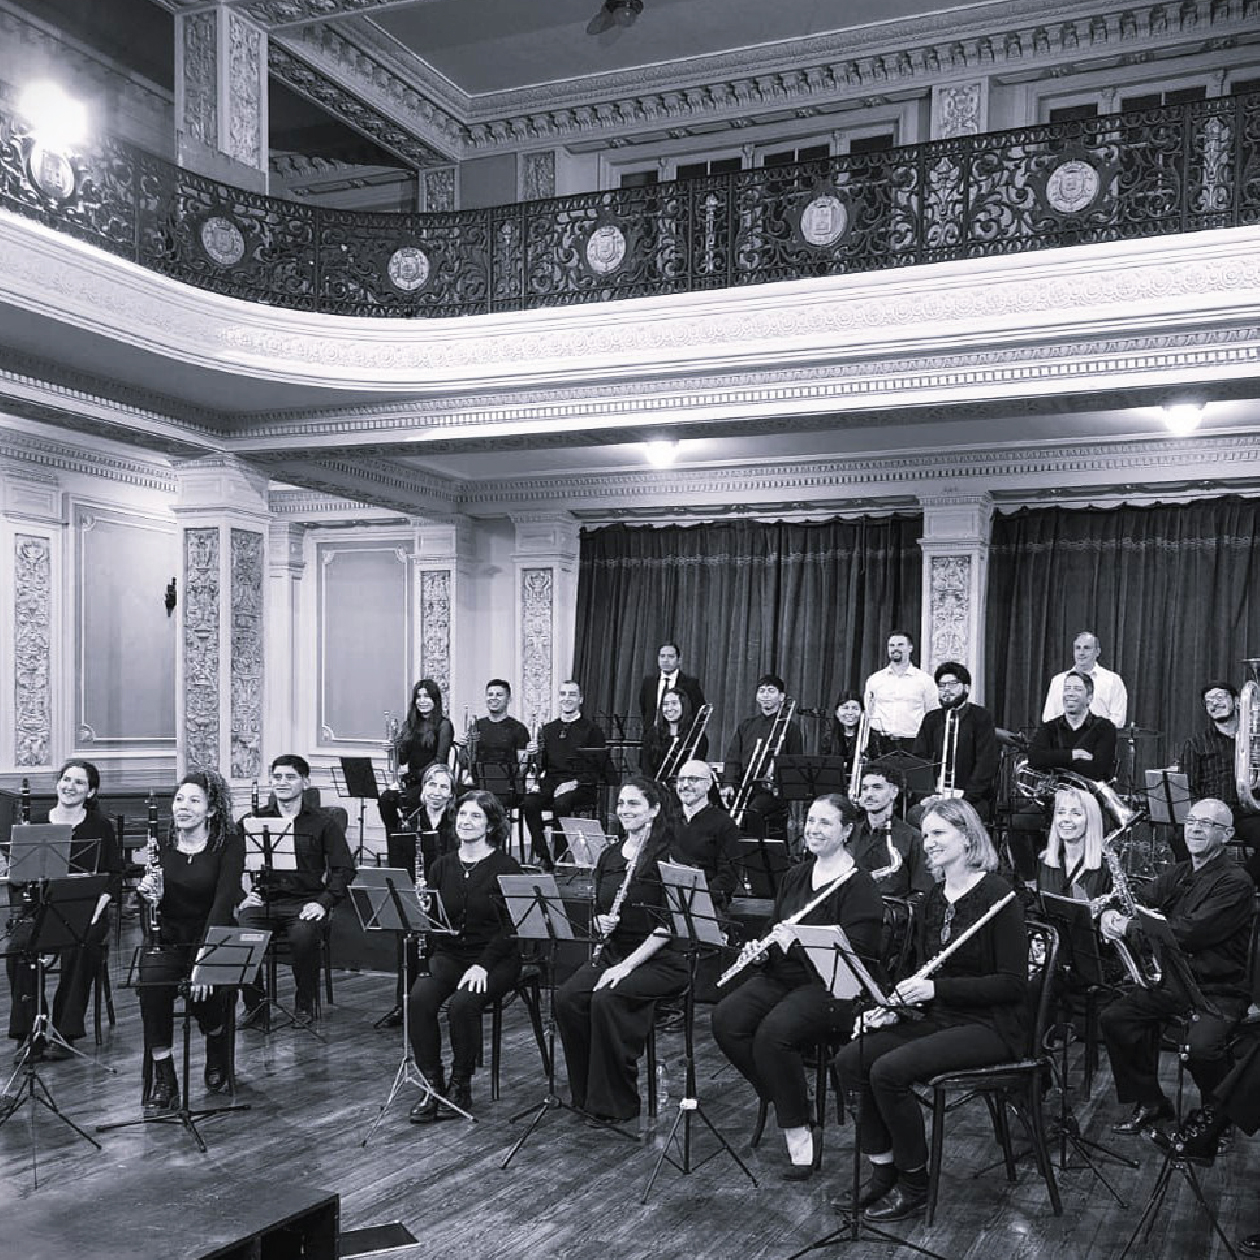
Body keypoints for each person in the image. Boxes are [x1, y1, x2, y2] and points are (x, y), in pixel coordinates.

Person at [834, 797, 1029, 1221]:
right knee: (852, 1058)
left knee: (888, 1072)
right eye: (926, 835)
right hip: (939, 1018)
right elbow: (914, 972)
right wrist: (891, 1009)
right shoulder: (934, 898)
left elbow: (1013, 984)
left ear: (968, 836)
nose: (929, 843)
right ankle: (883, 1171)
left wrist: (934, 988)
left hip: (992, 1026)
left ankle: (915, 1183)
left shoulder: (999, 894)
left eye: (939, 833)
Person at [711, 794, 884, 1178]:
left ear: (846, 831)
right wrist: (762, 953)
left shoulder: (859, 885)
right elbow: (777, 932)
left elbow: (858, 956)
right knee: (727, 1019)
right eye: (810, 820)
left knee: (773, 1034)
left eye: (825, 823)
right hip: (784, 975)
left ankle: (798, 1126)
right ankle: (788, 1096)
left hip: (832, 987)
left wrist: (801, 943)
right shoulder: (795, 875)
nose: (813, 829)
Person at [1098, 796, 1254, 1136]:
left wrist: (1130, 926)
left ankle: (1218, 1120)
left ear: (1227, 836)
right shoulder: (1181, 872)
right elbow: (1141, 902)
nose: (1196, 828)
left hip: (1218, 989)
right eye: (1192, 821)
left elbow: (1191, 933)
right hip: (1175, 982)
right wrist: (1111, 912)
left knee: (1201, 1048)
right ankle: (1151, 1101)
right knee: (1116, 1018)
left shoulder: (1236, 882)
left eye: (1208, 824)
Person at [555, 776, 687, 1123]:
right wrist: (602, 921)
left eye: (633, 804)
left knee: (606, 999)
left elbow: (669, 924)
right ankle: (584, 1095)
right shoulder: (611, 854)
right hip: (616, 952)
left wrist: (627, 966)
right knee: (568, 998)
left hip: (661, 959)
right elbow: (601, 904)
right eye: (621, 804)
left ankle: (616, 1102)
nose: (624, 810)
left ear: (654, 810)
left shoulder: (668, 854)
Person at [406, 791, 523, 1121]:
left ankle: (461, 1084)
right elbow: (435, 921)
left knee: (462, 1004)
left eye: (475, 816)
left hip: (496, 957)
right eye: (462, 815)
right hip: (450, 953)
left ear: (490, 825)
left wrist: (482, 965)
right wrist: (422, 911)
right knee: (419, 1000)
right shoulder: (442, 866)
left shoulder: (506, 866)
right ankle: (432, 1084)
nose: (466, 822)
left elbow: (512, 927)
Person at [136, 769, 245, 1112]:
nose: (183, 807)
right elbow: (153, 913)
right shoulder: (161, 845)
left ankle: (216, 1042)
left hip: (214, 936)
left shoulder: (228, 844)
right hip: (170, 938)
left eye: (194, 801)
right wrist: (148, 897)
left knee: (209, 996)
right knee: (151, 984)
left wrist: (204, 961)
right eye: (179, 799)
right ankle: (164, 1076)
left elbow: (224, 903)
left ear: (211, 810)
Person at [6, 759, 120, 1059]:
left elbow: (115, 874)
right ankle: (33, 1029)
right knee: (18, 947)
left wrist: (101, 902)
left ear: (91, 792)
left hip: (86, 910)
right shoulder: (38, 824)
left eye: (79, 782)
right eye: (66, 779)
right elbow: (18, 882)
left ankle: (64, 1032)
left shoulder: (100, 826)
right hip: (41, 910)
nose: (70, 786)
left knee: (81, 948)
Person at [238, 754, 357, 1027]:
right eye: (277, 777)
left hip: (306, 902)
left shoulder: (323, 823)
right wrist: (242, 896)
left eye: (290, 777)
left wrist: (323, 903)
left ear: (305, 782)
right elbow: (230, 861)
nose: (282, 783)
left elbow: (344, 869)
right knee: (243, 933)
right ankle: (255, 1005)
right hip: (264, 899)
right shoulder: (254, 820)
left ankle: (305, 1003)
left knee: (304, 936)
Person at [380, 761, 456, 1027]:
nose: (437, 791)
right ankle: (405, 1004)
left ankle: (431, 1001)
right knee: (408, 938)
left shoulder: (457, 821)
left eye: (443, 786)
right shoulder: (411, 821)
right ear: (423, 790)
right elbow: (401, 860)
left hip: (451, 894)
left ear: (451, 793)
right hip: (419, 893)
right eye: (431, 785)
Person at [520, 681, 607, 871]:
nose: (567, 698)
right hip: (552, 781)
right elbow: (541, 765)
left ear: (580, 699)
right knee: (529, 802)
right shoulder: (549, 729)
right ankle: (544, 855)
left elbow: (598, 767)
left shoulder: (592, 730)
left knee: (561, 803)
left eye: (572, 695)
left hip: (581, 785)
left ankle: (560, 856)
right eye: (563, 694)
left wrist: (574, 783)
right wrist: (533, 753)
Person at [1180, 680, 1260, 877]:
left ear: (1237, 701)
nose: (1214, 704)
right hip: (1212, 811)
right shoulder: (1196, 743)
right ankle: (1196, 888)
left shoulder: (1255, 741)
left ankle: (1241, 885)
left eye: (1220, 697)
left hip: (1246, 813)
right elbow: (1188, 787)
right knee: (1178, 838)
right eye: (1208, 702)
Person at [721, 673, 804, 840]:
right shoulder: (746, 725)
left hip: (772, 791)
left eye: (771, 691)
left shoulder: (791, 728)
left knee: (754, 812)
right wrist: (729, 783)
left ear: (781, 697)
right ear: (757, 697)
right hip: (744, 786)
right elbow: (733, 758)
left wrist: (779, 787)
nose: (766, 695)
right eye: (762, 691)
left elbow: (795, 763)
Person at [911, 662, 999, 819]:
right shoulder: (931, 719)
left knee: (959, 819)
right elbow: (919, 760)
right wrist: (926, 794)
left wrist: (966, 798)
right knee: (914, 815)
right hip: (935, 794)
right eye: (942, 685)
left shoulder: (980, 717)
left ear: (966, 688)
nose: (946, 690)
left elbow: (987, 764)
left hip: (970, 798)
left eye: (952, 684)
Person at [379, 679, 456, 836]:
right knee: (385, 800)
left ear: (435, 700)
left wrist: (415, 776)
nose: (422, 701)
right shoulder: (409, 725)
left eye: (427, 696)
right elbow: (402, 760)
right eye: (418, 697)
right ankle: (397, 841)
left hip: (432, 782)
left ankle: (411, 839)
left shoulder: (444, 725)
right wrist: (393, 750)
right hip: (411, 782)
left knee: (411, 801)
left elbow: (439, 761)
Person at [849, 767, 933, 904]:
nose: (869, 794)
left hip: (891, 917)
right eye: (864, 788)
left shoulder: (913, 838)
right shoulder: (849, 834)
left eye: (877, 787)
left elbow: (921, 892)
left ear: (894, 792)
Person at [672, 759, 741, 912]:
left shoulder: (725, 824)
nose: (685, 785)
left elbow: (728, 878)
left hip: (706, 904)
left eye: (693, 780)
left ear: (709, 784)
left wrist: (695, 898)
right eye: (681, 780)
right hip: (667, 901)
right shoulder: (668, 819)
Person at [862, 631, 938, 751]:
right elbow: (869, 711)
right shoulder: (875, 679)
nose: (895, 649)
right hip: (880, 744)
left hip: (913, 743)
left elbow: (932, 714)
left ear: (910, 648)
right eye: (892, 645)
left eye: (900, 645)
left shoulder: (925, 680)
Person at [1036, 783, 1111, 903]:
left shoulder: (1106, 867)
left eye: (1076, 813)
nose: (1066, 819)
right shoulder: (1044, 861)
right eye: (1061, 812)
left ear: (1090, 820)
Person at [1042, 630, 1128, 727]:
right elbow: (1048, 717)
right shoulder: (1057, 681)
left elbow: (1118, 720)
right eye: (1078, 648)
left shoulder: (1113, 681)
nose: (1081, 653)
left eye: (1086, 648)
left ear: (1097, 652)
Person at [468, 678, 530, 804]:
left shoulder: (519, 728)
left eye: (499, 695)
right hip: (478, 783)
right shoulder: (476, 726)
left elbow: (522, 766)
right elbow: (466, 761)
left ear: (508, 700)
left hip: (507, 786)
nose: (493, 698)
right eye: (490, 694)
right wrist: (466, 745)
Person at [640, 686, 708, 780]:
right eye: (665, 704)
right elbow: (646, 767)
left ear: (684, 706)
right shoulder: (652, 734)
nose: (669, 708)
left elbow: (695, 768)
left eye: (674, 703)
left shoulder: (696, 736)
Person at [638, 641, 705, 726]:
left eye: (671, 656)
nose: (666, 660)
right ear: (658, 660)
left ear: (679, 660)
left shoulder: (690, 684)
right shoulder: (648, 682)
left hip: (680, 735)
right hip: (653, 736)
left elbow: (699, 713)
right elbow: (644, 710)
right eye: (662, 656)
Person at [822, 690, 876, 782]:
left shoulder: (871, 738)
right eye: (845, 708)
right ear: (836, 712)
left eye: (855, 708)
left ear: (862, 712)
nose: (850, 713)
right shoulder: (829, 738)